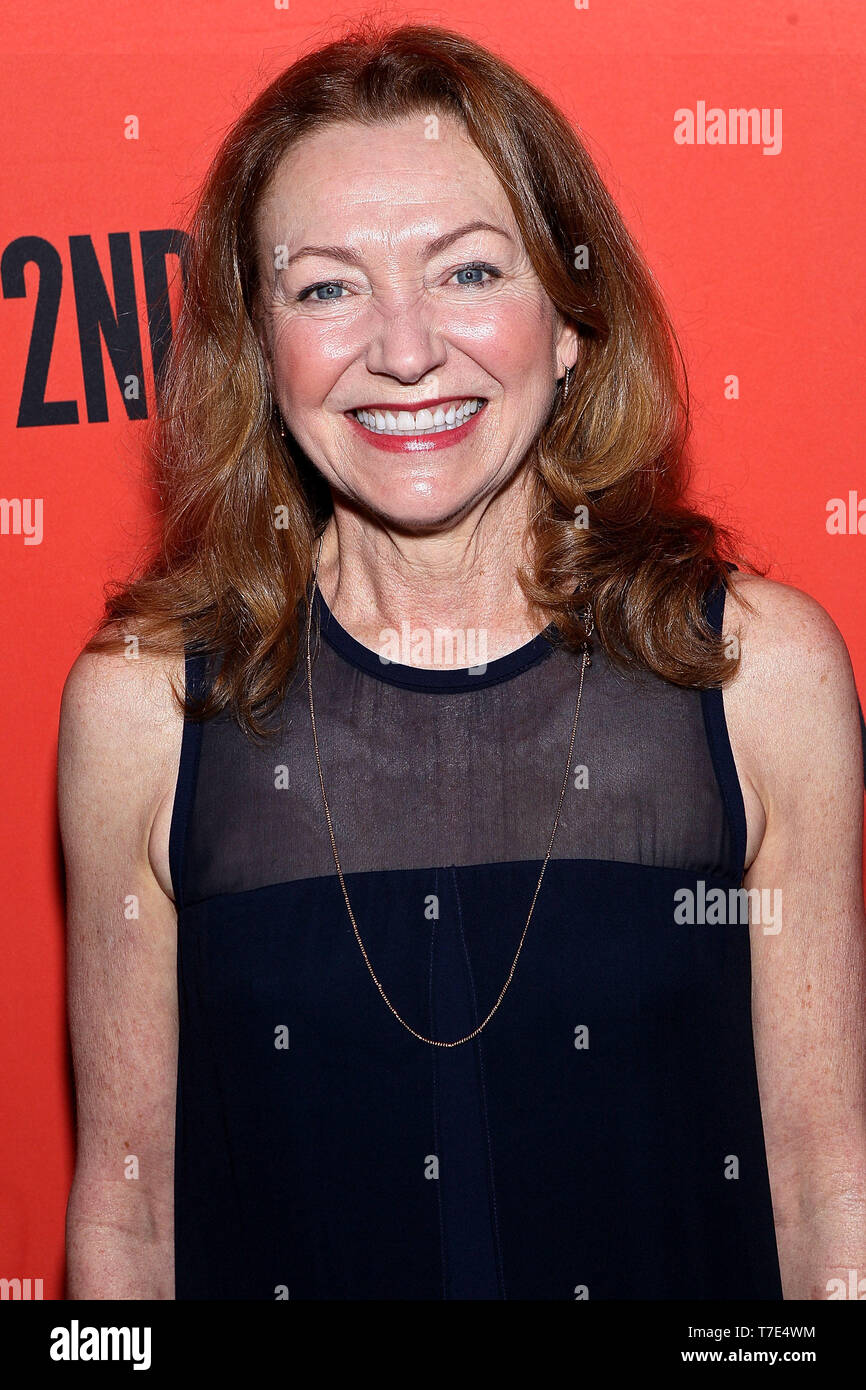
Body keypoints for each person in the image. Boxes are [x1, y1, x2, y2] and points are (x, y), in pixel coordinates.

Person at [59, 20, 866, 1300]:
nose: (402, 348)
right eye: (325, 286)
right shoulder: (146, 706)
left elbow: (830, 1196)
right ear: (261, 351)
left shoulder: (757, 676)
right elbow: (127, 1221)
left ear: (569, 321)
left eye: (468, 271)